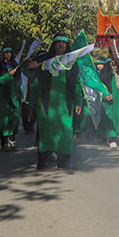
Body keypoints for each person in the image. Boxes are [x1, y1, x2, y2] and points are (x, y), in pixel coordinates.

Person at [27, 35, 82, 170]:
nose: (61, 45)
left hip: (65, 104)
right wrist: (31, 105)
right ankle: (42, 162)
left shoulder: (71, 62)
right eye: (58, 43)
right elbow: (33, 82)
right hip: (46, 104)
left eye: (64, 43)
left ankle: (63, 164)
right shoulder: (43, 61)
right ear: (53, 45)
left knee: (66, 131)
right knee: (46, 132)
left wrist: (79, 100)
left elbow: (76, 83)